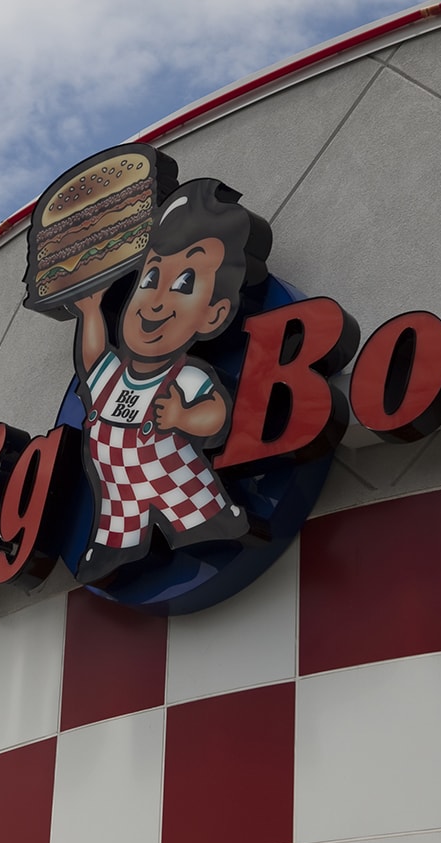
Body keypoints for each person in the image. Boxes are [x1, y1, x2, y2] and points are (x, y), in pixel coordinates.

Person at [67, 178, 266, 584]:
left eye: (184, 284)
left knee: (198, 515)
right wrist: (90, 314)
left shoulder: (185, 373)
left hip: (181, 488)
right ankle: (113, 550)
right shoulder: (116, 375)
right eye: (150, 278)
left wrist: (183, 417)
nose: (156, 300)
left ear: (214, 315)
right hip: (120, 493)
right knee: (118, 524)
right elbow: (92, 360)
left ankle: (216, 524)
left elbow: (215, 413)